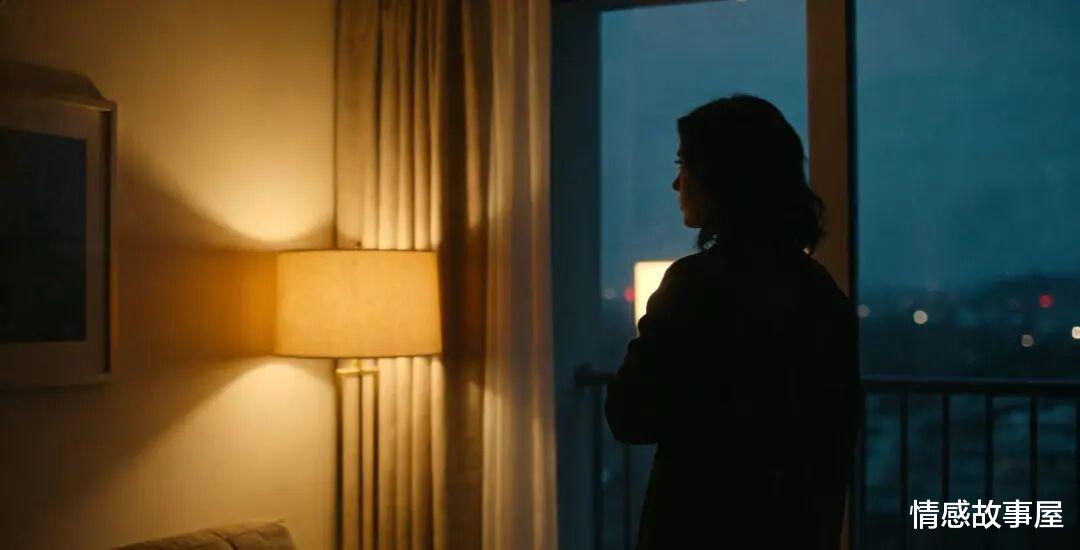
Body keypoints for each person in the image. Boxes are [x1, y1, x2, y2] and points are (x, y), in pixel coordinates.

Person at [604, 94, 864, 549]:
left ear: (718, 177)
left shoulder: (695, 285)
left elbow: (629, 415)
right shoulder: (820, 292)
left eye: (684, 165)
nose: (676, 183)